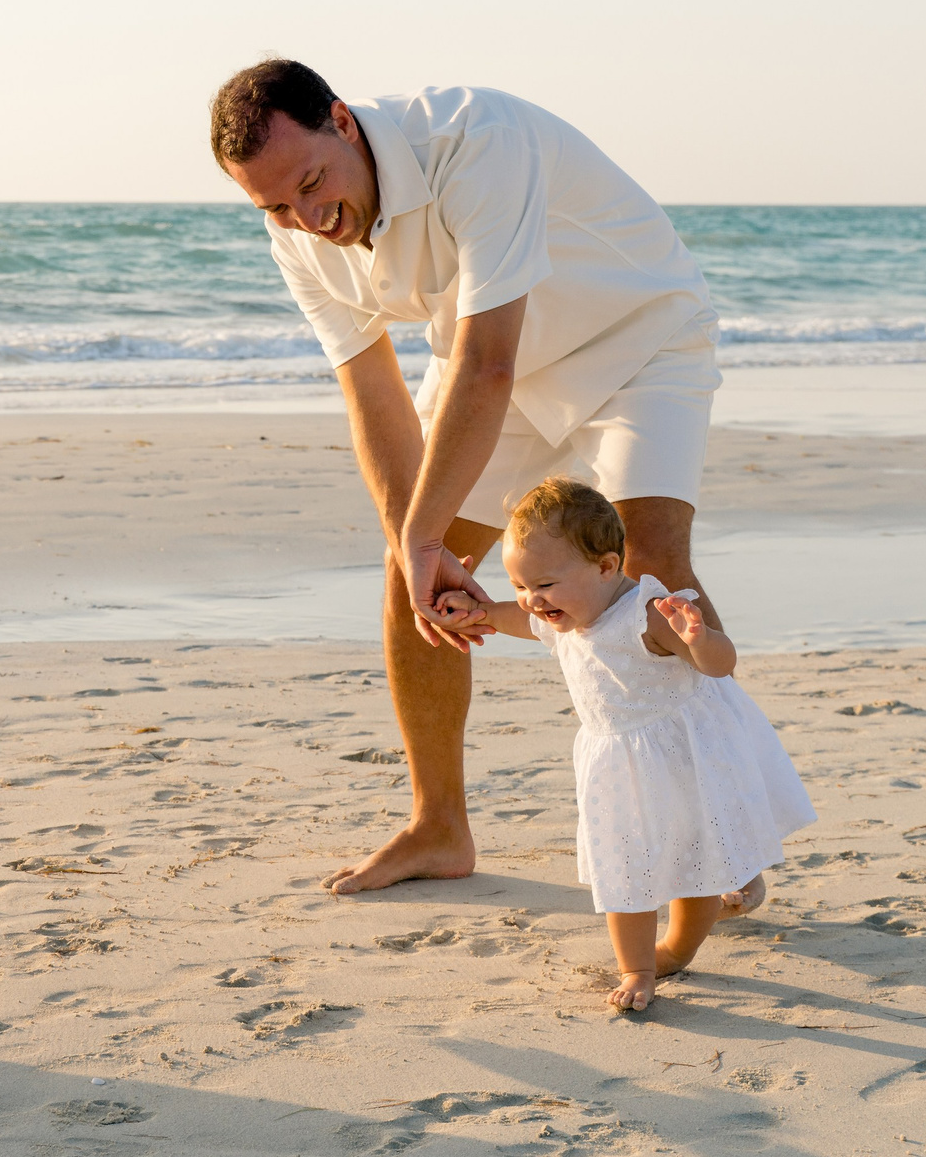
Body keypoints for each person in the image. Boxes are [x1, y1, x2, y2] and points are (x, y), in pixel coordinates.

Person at [210, 58, 723, 894]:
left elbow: (487, 363)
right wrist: (414, 544)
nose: (306, 217)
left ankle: (719, 842)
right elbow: (369, 387)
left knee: (650, 575)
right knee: (411, 561)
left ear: (343, 122)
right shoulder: (293, 232)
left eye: (311, 183)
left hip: (637, 336)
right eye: (273, 205)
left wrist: (420, 532)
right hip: (504, 371)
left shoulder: (476, 141)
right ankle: (439, 826)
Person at [438, 478, 814, 1011]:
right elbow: (509, 617)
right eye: (522, 585)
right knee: (625, 866)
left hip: (688, 757)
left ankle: (678, 950)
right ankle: (637, 967)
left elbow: (722, 666)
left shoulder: (648, 613)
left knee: (698, 860)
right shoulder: (564, 615)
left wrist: (700, 639)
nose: (531, 600)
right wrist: (471, 610)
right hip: (618, 764)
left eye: (543, 584)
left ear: (606, 566)